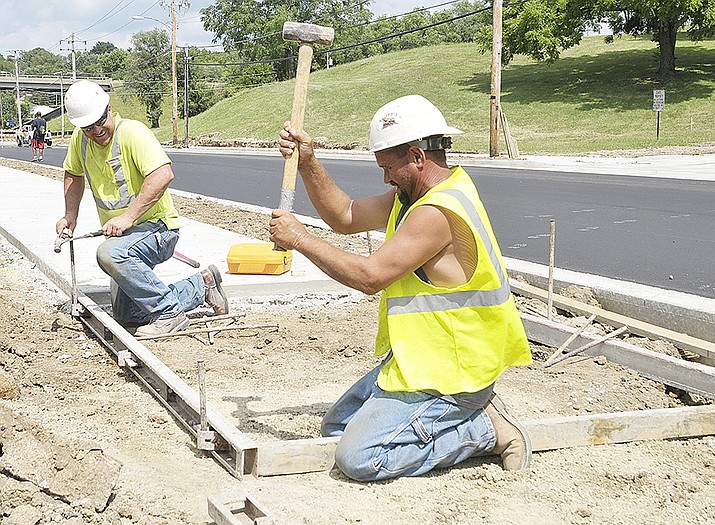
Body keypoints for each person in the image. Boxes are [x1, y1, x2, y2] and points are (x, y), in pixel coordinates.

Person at [270, 95, 533, 481]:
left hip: (453, 376)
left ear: (416, 156)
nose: (385, 178)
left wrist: (301, 239)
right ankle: (467, 416)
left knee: (360, 459)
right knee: (336, 429)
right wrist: (309, 163)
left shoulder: (436, 212)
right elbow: (346, 216)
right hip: (419, 363)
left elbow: (370, 277)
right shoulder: (414, 196)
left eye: (388, 167)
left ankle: (485, 429)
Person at [57, 79, 229, 337]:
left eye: (99, 122)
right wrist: (70, 216)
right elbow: (73, 173)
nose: (96, 131)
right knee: (128, 316)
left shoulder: (132, 133)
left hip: (159, 230)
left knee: (109, 255)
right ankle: (202, 285)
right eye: (87, 128)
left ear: (109, 109)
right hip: (123, 238)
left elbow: (162, 175)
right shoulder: (80, 141)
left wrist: (128, 218)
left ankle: (169, 314)